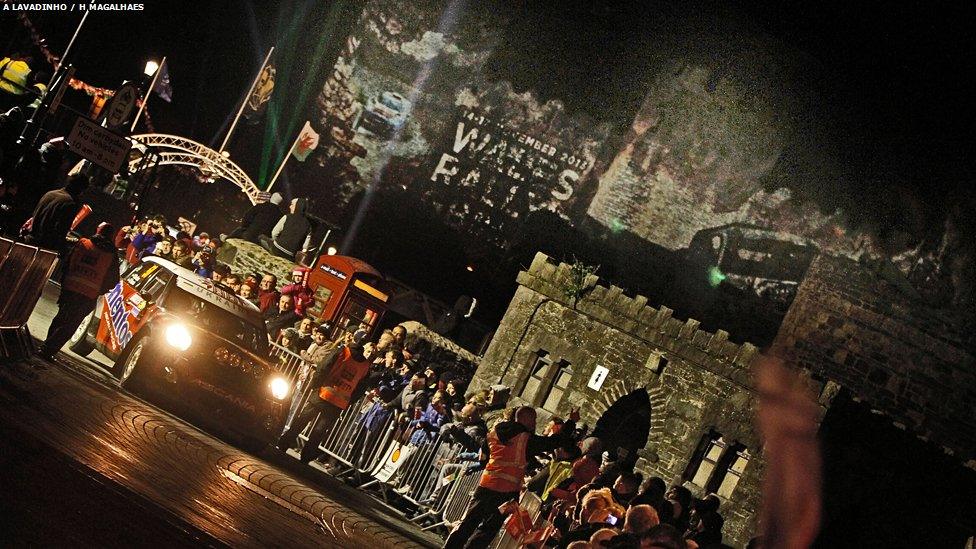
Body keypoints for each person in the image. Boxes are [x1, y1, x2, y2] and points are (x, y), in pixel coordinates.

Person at [443, 405, 579, 549]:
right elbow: (555, 441)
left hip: (486, 486)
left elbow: (483, 459)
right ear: (527, 420)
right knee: (488, 530)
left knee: (467, 523)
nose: (534, 424)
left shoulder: (493, 433)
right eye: (534, 420)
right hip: (507, 494)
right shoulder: (526, 439)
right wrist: (571, 421)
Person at [276, 331, 371, 463]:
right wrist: (349, 400)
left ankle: (284, 443)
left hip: (323, 393)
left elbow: (323, 367)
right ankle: (306, 457)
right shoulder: (366, 365)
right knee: (320, 430)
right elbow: (361, 388)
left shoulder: (342, 351)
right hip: (339, 402)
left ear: (354, 338)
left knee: (302, 419)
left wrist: (315, 384)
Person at [39, 222, 120, 360]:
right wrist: (100, 289)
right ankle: (48, 349)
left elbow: (68, 262)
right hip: (89, 295)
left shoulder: (84, 243)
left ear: (98, 231)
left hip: (70, 288)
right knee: (70, 325)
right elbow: (113, 280)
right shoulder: (111, 255)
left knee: (60, 318)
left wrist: (66, 280)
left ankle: (46, 346)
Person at [23, 173, 90, 256]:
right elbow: (60, 231)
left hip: (29, 240)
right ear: (81, 189)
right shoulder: (71, 203)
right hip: (43, 248)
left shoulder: (50, 194)